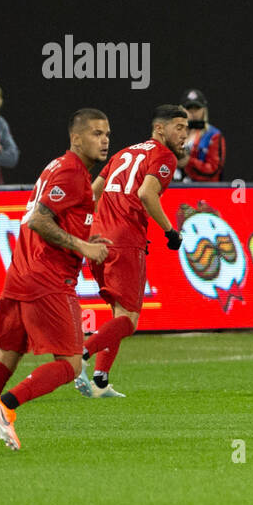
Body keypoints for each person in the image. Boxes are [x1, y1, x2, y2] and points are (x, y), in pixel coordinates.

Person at [0, 109, 112, 456]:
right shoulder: (71, 172)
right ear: (76, 138)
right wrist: (82, 246)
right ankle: (7, 404)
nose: (104, 140)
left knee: (5, 359)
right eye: (96, 133)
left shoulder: (59, 168)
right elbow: (37, 219)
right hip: (47, 280)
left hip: (21, 276)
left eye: (106, 133)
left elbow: (52, 218)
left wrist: (89, 238)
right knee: (71, 364)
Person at [75, 105, 187, 399]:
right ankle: (81, 355)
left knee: (117, 313)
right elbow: (146, 194)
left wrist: (91, 226)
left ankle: (100, 380)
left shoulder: (123, 153)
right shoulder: (163, 156)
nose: (184, 134)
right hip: (126, 240)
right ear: (159, 129)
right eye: (179, 127)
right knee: (130, 320)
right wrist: (170, 232)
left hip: (98, 240)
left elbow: (92, 192)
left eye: (186, 128)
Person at [176, 88, 226, 181]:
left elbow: (215, 170)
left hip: (204, 191)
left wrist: (188, 162)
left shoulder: (213, 135)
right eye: (189, 108)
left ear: (204, 109)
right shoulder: (174, 134)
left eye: (197, 108)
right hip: (176, 188)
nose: (193, 112)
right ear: (181, 109)